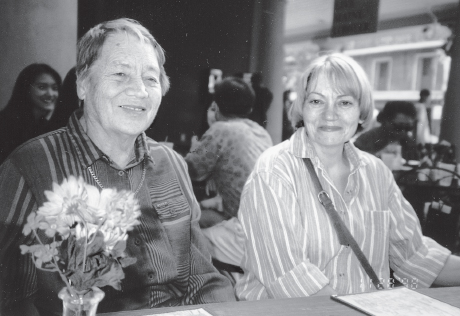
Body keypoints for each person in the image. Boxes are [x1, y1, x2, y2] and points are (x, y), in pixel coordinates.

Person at [0, 18, 234, 315]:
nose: (139, 90)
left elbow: (203, 278)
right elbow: (9, 297)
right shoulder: (30, 166)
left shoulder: (171, 163)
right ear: (83, 84)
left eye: (151, 79)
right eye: (121, 74)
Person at [235, 53, 460, 300]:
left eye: (344, 103)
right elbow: (293, 281)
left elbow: (415, 256)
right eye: (316, 101)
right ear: (302, 108)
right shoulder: (274, 171)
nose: (329, 114)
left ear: (362, 113)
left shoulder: (377, 173)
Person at [186, 77, 273, 270]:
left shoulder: (221, 129)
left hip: (244, 231)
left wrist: (194, 147)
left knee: (181, 232)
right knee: (203, 216)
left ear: (216, 106)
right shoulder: (260, 132)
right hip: (268, 226)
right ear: (250, 109)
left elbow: (191, 170)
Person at [0, 63, 62, 163]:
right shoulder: (6, 124)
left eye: (55, 88)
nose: (50, 94)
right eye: (42, 87)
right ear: (26, 89)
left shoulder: (46, 126)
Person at [354, 101, 418, 161]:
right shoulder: (367, 139)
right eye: (398, 127)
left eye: (408, 127)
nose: (403, 131)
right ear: (386, 121)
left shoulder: (408, 142)